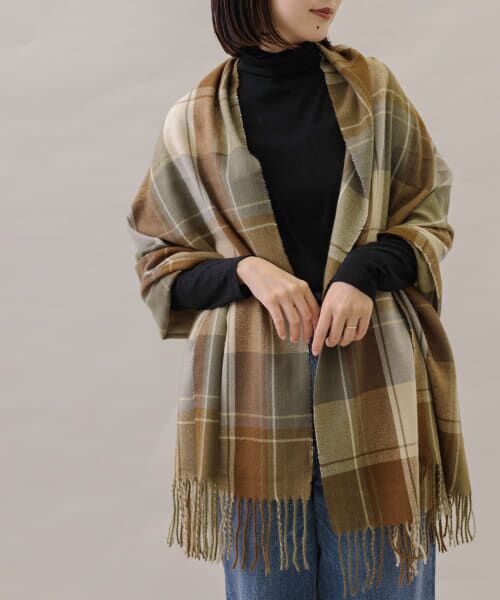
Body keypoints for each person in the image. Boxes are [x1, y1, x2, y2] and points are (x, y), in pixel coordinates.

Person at [164, 1, 435, 599]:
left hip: (374, 384)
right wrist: (247, 271)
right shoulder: (194, 119)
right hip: (253, 400)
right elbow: (163, 267)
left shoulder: (374, 92)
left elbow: (428, 217)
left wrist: (363, 272)